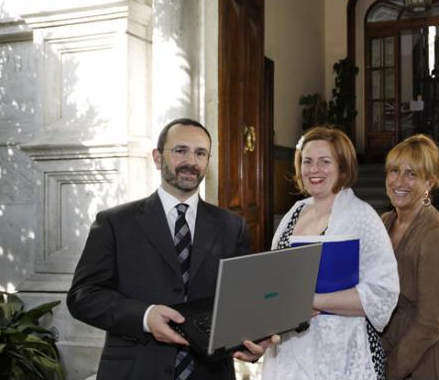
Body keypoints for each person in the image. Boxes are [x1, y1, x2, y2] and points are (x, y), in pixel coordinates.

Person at [67, 118, 275, 380]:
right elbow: (82, 296)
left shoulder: (232, 226)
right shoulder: (114, 223)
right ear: (157, 157)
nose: (191, 161)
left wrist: (254, 342)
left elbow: (244, 301)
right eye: (180, 150)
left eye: (200, 153)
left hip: (209, 373)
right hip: (135, 370)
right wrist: (145, 316)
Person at [261, 126, 399, 380]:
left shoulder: (363, 217)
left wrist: (312, 301)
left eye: (325, 162)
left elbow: (383, 293)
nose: (314, 170)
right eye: (307, 161)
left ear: (343, 168)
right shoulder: (293, 213)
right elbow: (273, 278)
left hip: (344, 350)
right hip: (291, 351)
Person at [380, 134, 439, 380]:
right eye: (394, 171)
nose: (399, 181)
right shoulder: (384, 222)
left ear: (430, 183)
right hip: (398, 343)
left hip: (437, 352)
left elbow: (431, 322)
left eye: (411, 174)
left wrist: (389, 372)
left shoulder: (438, 235)